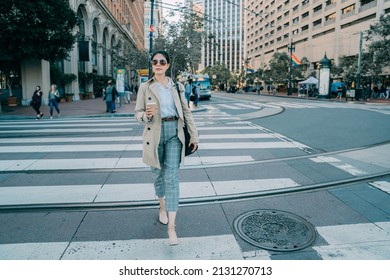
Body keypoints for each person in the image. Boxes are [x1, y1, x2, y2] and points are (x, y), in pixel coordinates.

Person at [135, 50, 199, 246]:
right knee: (157, 174)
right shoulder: (145, 87)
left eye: (162, 61)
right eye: (155, 62)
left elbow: (186, 112)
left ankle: (172, 228)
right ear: (152, 65)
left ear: (168, 65)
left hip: (174, 133)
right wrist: (145, 115)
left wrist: (194, 136)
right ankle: (161, 206)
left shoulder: (177, 87)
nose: (158, 64)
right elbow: (137, 113)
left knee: (172, 177)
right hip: (154, 132)